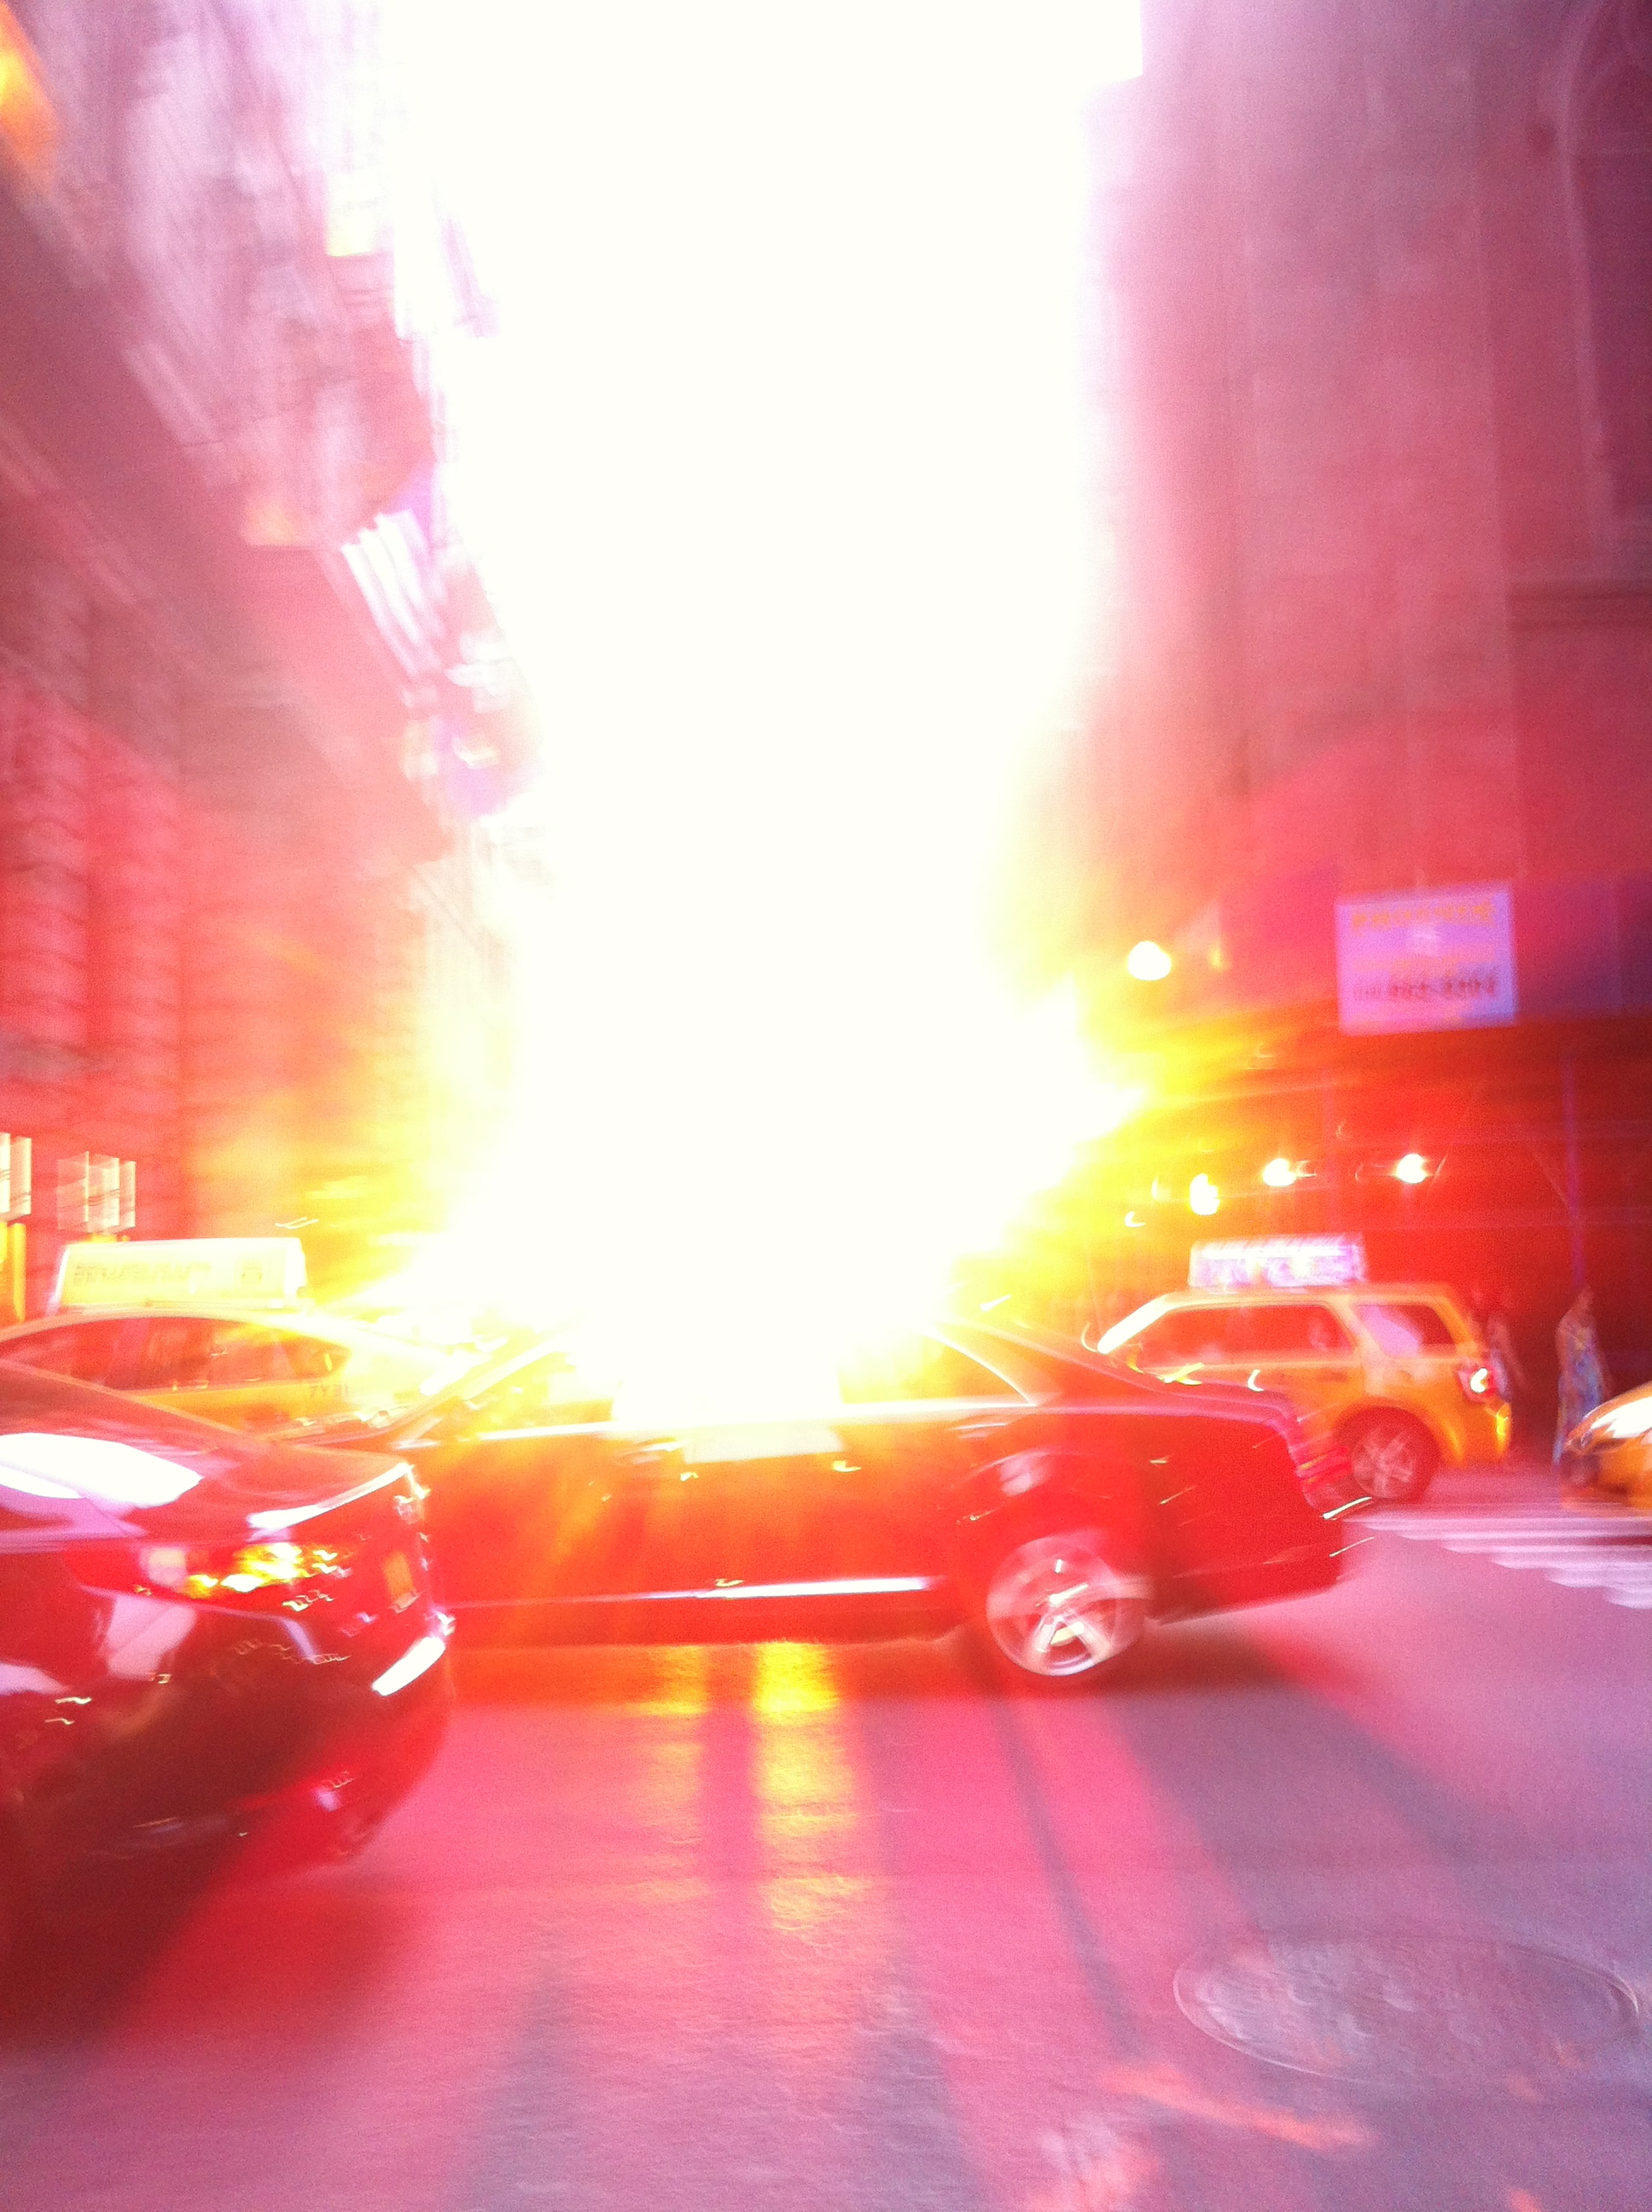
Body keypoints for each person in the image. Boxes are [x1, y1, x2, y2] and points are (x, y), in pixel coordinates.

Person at [1554, 1285, 1610, 1476]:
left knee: (1591, 1423)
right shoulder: (1565, 1327)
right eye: (1585, 1297)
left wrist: (1603, 1378)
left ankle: (1588, 1467)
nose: (1589, 1302)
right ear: (1576, 1299)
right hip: (1575, 1381)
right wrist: (1570, 1385)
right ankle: (1572, 1466)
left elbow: (1596, 1352)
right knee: (1574, 1425)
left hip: (1591, 1380)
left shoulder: (1589, 1323)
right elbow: (1564, 1362)